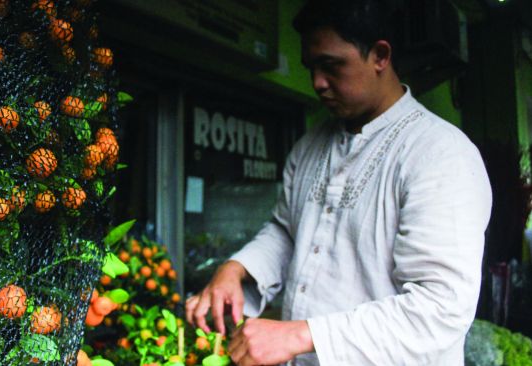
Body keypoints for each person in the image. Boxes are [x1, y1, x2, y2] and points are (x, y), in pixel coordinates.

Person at [185, 0, 493, 365]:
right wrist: (236, 269)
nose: (317, 82)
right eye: (311, 67)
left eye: (331, 66)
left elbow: (440, 309)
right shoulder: (309, 146)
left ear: (380, 55)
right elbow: (286, 231)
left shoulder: (440, 153)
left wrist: (302, 334)